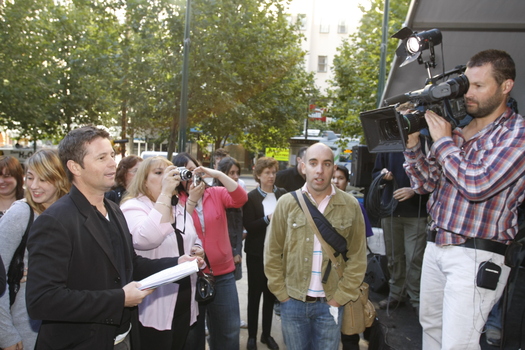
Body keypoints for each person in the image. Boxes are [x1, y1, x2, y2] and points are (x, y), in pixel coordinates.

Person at [26, 126, 202, 350]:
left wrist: (176, 264)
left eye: (112, 155)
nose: (113, 163)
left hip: (121, 338)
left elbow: (130, 265)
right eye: (102, 158)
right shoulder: (55, 221)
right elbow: (42, 301)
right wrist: (119, 299)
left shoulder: (113, 208)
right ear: (75, 167)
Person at [402, 49, 525, 349]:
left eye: (480, 86)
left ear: (506, 86)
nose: (469, 93)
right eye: (467, 84)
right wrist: (413, 146)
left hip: (476, 254)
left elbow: (477, 185)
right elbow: (425, 183)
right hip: (437, 244)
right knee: (430, 330)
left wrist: (443, 142)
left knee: (458, 343)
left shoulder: (516, 133)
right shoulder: (458, 130)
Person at [264, 143, 367, 350]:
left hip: (331, 304)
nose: (319, 170)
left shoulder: (350, 205)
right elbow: (272, 253)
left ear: (333, 168)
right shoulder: (286, 203)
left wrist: (340, 298)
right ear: (303, 166)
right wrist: (281, 294)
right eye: (313, 163)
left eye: (326, 164)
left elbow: (358, 257)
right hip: (292, 302)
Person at [120, 156, 204, 350]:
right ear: (143, 180)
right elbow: (147, 239)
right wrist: (165, 192)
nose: (167, 177)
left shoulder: (178, 207)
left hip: (184, 301)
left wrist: (198, 250)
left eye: (169, 172)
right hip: (154, 307)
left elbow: (190, 236)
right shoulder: (133, 207)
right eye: (158, 173)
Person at [172, 152, 247, 350]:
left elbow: (240, 198)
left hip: (222, 275)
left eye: (194, 170)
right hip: (190, 277)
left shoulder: (215, 193)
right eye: (185, 173)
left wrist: (217, 174)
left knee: (229, 332)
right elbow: (179, 231)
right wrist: (191, 202)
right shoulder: (175, 201)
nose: (192, 176)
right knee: (193, 337)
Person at [0, 149, 70, 350]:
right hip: (25, 327)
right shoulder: (21, 213)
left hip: (64, 325)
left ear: (60, 180)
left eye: (44, 179)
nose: (34, 186)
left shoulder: (70, 213)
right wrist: (5, 334)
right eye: (30, 177)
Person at [372, 148, 428, 312]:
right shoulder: (389, 146)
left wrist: (415, 191)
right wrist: (382, 175)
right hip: (390, 210)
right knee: (393, 257)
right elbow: (375, 174)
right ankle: (396, 294)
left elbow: (433, 176)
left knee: (414, 258)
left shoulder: (423, 141)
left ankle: (416, 299)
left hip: (416, 212)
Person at [243, 157, 286, 350]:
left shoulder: (283, 195)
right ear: (258, 175)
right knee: (254, 295)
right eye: (267, 173)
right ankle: (252, 336)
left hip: (277, 254)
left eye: (273, 172)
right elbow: (249, 226)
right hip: (256, 254)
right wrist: (267, 219)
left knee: (271, 295)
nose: (271, 176)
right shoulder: (251, 197)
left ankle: (266, 335)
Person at [332, 165, 374, 350]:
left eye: (340, 178)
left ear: (347, 182)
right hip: (326, 279)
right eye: (333, 177)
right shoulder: (316, 206)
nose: (335, 181)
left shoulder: (356, 206)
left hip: (349, 276)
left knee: (349, 331)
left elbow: (361, 245)